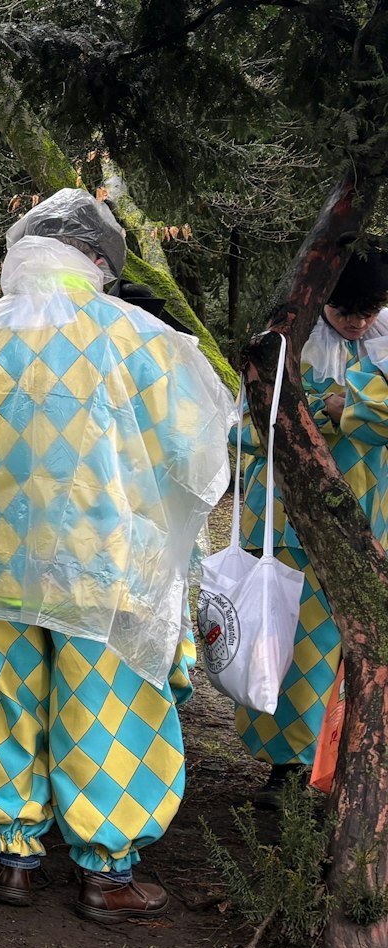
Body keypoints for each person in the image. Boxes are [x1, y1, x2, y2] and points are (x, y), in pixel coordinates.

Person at [0, 189, 231, 923]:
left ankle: (10, 853)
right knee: (109, 709)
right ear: (98, 259)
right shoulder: (143, 339)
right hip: (105, 569)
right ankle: (107, 870)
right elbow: (199, 453)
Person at [233, 254, 388, 802]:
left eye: (370, 312)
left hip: (368, 522)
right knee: (292, 648)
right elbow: (242, 430)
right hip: (288, 523)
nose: (359, 322)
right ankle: (289, 769)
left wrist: (352, 408)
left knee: (354, 649)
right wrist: (318, 412)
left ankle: (350, 766)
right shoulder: (283, 346)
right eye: (346, 311)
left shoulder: (385, 345)